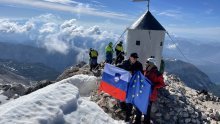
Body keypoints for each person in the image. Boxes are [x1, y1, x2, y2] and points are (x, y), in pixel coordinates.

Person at [134, 58, 165, 124]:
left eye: (147, 64)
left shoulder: (158, 74)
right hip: (143, 93)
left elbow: (162, 84)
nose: (146, 65)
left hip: (150, 95)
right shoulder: (145, 71)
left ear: (151, 64)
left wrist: (154, 86)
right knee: (139, 106)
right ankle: (137, 121)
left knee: (147, 110)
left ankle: (146, 122)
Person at [117, 53, 143, 123]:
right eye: (134, 57)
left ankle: (132, 119)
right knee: (123, 101)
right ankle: (127, 116)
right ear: (130, 57)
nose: (135, 59)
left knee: (131, 102)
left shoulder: (139, 65)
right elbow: (119, 68)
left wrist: (133, 72)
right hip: (125, 85)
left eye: (136, 58)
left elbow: (141, 74)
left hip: (134, 86)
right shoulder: (125, 63)